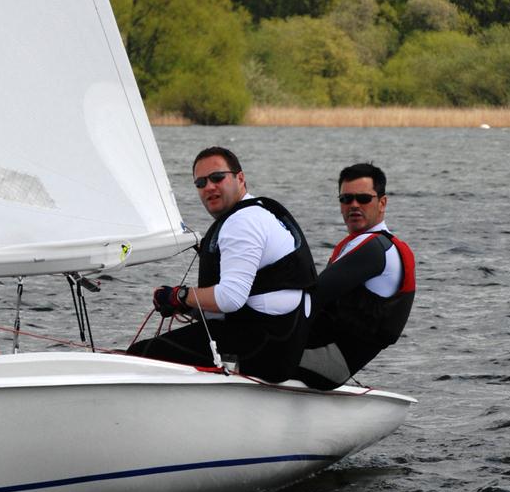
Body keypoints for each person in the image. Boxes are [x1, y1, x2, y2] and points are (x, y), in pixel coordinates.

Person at [127, 146, 315, 382]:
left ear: (240, 178)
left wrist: (180, 295)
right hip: (277, 340)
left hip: (266, 344)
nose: (209, 187)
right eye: (201, 183)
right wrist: (186, 305)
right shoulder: (257, 213)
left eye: (217, 178)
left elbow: (230, 298)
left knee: (138, 356)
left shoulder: (243, 222)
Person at [296, 162, 415, 390]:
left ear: (382, 203)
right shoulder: (357, 245)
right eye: (346, 199)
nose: (354, 205)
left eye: (363, 198)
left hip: (325, 367)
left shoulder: (376, 250)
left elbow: (312, 297)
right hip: (315, 353)